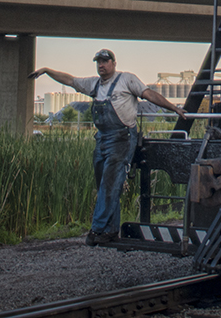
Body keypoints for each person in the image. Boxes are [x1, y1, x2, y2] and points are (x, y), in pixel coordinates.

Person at [30, 49, 186, 246]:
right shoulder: (94, 84)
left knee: (109, 185)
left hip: (122, 139)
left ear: (114, 63)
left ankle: (97, 229)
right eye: (98, 62)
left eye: (105, 61)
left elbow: (149, 94)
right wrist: (46, 70)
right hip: (102, 139)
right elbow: (70, 80)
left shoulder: (127, 80)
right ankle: (111, 231)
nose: (101, 65)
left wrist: (175, 109)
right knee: (104, 184)